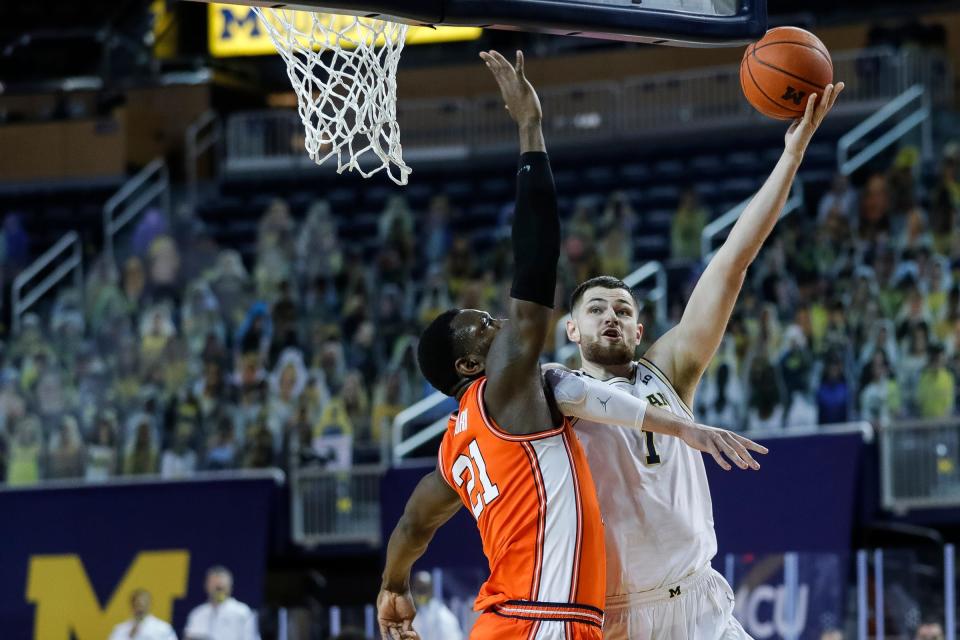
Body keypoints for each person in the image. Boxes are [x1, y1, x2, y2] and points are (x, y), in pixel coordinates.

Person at [378, 50, 764, 640]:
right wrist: (531, 131)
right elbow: (535, 265)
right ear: (468, 364)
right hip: (543, 622)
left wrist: (394, 584)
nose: (500, 327)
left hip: (514, 619)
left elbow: (412, 524)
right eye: (485, 325)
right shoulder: (503, 389)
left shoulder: (458, 451)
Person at [564, 82, 844, 639]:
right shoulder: (553, 395)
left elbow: (733, 263)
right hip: (617, 614)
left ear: (641, 329)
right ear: (571, 329)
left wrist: (791, 155)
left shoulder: (666, 370)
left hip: (700, 604)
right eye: (596, 309)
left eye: (622, 308)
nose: (611, 316)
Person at [184, 566, 259, 640]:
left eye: (221, 587)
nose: (218, 590)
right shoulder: (197, 614)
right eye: (215, 586)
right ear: (206, 586)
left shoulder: (242, 612)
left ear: (229, 587)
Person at [409, 571, 463, 640]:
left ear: (431, 590)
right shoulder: (408, 614)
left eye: (424, 589)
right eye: (418, 590)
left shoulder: (443, 616)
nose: (421, 593)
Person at [108, 589, 177, 640]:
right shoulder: (120, 629)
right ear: (132, 605)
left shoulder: (163, 628)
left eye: (144, 604)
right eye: (137, 604)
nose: (140, 609)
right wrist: (129, 636)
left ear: (150, 605)